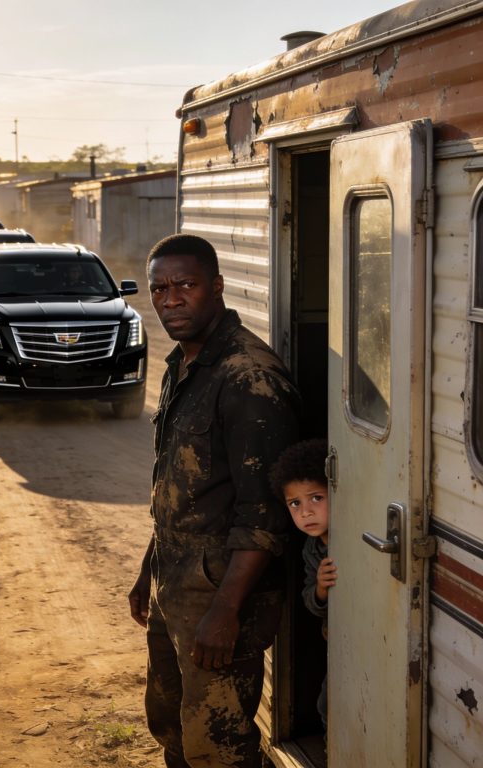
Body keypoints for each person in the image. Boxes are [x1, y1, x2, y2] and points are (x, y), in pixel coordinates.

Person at [129, 234, 300, 767]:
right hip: (174, 579)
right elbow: (177, 487)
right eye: (159, 288)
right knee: (171, 724)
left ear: (217, 286)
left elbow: (266, 515)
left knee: (217, 747)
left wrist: (226, 610)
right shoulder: (183, 365)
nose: (170, 299)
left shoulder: (247, 377)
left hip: (223, 593)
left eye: (185, 285)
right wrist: (147, 568)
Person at [269, 438, 336, 729]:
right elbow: (311, 600)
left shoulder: (355, 538)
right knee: (328, 705)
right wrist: (321, 588)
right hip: (339, 644)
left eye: (316, 498)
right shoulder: (312, 549)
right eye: (295, 503)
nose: (305, 511)